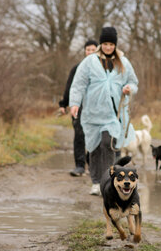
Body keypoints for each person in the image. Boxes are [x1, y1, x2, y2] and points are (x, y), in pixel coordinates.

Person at [69, 26, 139, 195]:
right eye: (105, 44)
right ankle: (95, 182)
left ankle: (107, 181)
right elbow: (78, 84)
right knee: (94, 147)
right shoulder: (90, 61)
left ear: (115, 45)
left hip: (113, 114)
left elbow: (133, 82)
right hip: (92, 113)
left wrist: (129, 88)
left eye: (111, 44)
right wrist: (75, 103)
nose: (108, 47)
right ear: (101, 44)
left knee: (107, 144)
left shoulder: (123, 62)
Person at [59, 39, 98, 176]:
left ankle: (93, 165)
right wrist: (64, 104)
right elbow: (70, 87)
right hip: (79, 106)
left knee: (95, 136)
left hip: (96, 107)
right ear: (85, 52)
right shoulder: (77, 68)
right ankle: (80, 166)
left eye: (93, 50)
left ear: (98, 51)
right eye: (88, 50)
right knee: (79, 135)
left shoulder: (102, 68)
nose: (90, 52)